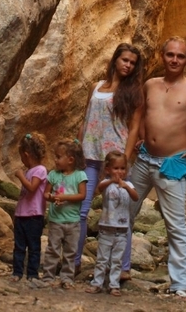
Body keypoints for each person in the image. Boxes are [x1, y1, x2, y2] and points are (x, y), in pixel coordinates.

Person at [123, 36, 186, 299]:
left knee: (176, 225)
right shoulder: (150, 85)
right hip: (144, 160)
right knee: (124, 214)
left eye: (180, 56)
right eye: (170, 55)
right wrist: (142, 138)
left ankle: (180, 284)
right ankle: (118, 269)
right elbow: (142, 114)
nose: (174, 60)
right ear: (162, 55)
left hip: (173, 164)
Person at [75, 43, 144, 274]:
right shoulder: (96, 87)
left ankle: (122, 268)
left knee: (119, 213)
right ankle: (73, 262)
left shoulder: (134, 92)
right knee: (82, 212)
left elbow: (134, 127)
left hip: (115, 160)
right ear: (115, 59)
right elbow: (86, 119)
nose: (128, 65)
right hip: (89, 157)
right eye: (125, 60)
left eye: (133, 63)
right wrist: (78, 148)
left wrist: (124, 159)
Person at [84, 151, 138, 297]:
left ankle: (114, 285)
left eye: (122, 169)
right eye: (116, 168)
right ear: (108, 169)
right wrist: (111, 181)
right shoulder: (105, 184)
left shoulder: (129, 184)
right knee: (102, 258)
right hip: (106, 227)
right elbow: (98, 190)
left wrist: (125, 186)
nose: (119, 172)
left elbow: (135, 196)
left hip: (122, 229)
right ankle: (97, 283)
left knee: (116, 259)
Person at [42, 139, 88, 288]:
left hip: (73, 221)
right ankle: (48, 277)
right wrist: (53, 197)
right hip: (56, 220)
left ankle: (67, 278)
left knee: (70, 252)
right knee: (52, 249)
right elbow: (46, 194)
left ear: (70, 160)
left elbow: (82, 195)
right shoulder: (53, 175)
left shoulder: (80, 176)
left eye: (58, 157)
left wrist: (64, 197)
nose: (55, 160)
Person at [10, 132, 48, 283]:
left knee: (33, 247)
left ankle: (32, 273)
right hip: (22, 215)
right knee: (19, 246)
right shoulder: (29, 171)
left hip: (34, 215)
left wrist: (20, 176)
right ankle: (17, 272)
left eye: (21, 156)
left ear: (26, 155)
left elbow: (32, 188)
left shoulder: (40, 170)